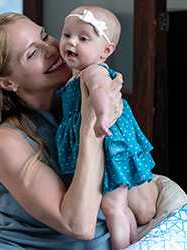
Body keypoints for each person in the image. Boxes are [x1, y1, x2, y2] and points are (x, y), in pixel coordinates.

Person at [0, 12, 158, 250]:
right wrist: (91, 128)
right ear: (7, 83)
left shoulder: (82, 108)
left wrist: (114, 120)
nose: (51, 49)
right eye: (32, 53)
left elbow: (146, 208)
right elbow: (78, 226)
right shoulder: (6, 141)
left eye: (44, 36)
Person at [55, 6, 156, 250]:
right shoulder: (77, 73)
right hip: (104, 144)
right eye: (67, 35)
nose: (72, 43)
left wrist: (101, 116)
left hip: (108, 146)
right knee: (118, 206)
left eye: (83, 38)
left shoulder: (93, 71)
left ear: (106, 50)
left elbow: (101, 91)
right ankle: (135, 242)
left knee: (113, 208)